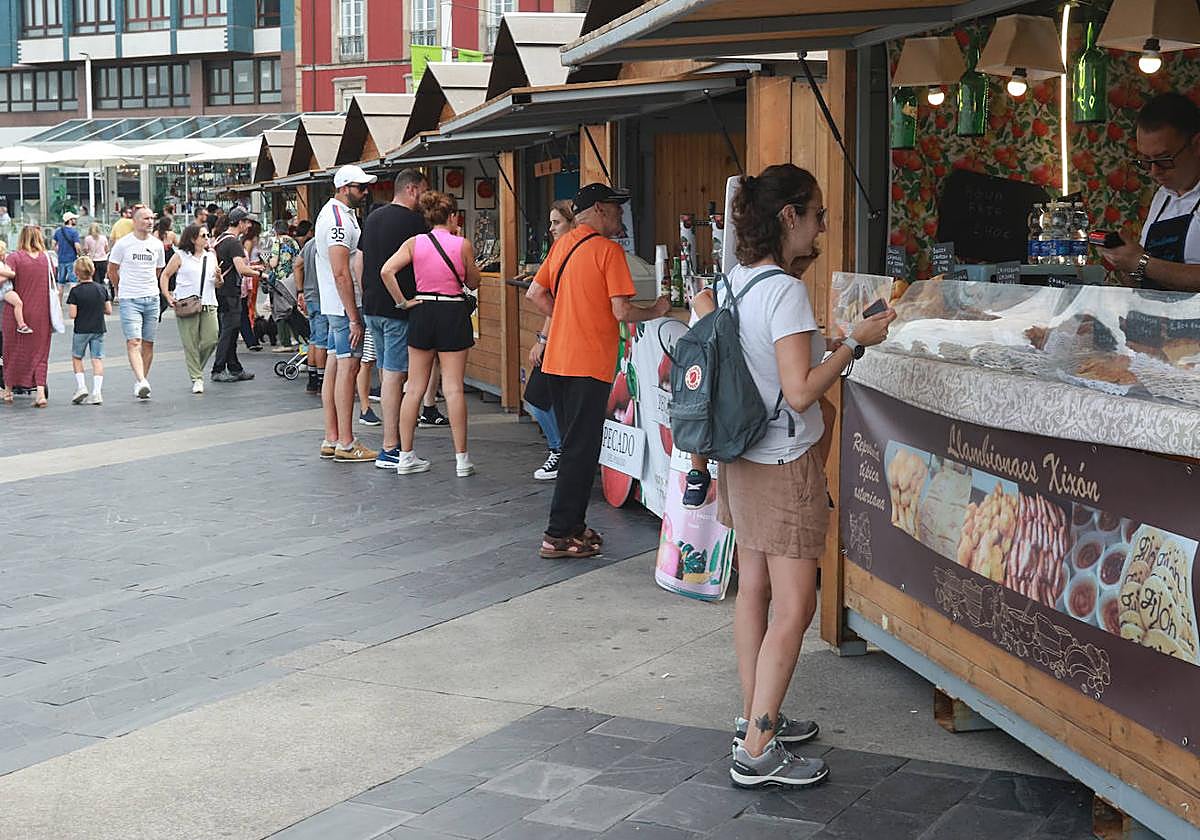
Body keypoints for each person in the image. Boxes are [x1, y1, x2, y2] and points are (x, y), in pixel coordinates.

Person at [710, 164, 894, 789]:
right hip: (784, 463)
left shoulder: (738, 279)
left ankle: (754, 717)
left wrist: (833, 340)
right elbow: (799, 392)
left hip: (741, 458)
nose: (821, 227)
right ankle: (759, 748)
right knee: (797, 604)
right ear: (789, 216)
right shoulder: (784, 293)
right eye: (816, 215)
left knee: (755, 591)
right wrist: (856, 343)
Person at [525, 184, 669, 556]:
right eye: (617, 210)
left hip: (558, 362)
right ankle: (557, 534)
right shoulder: (608, 252)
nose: (621, 216)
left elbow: (535, 294)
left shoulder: (563, 245)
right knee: (580, 450)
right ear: (601, 210)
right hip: (588, 365)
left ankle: (572, 526)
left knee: (577, 447)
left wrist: (570, 318)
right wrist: (655, 311)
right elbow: (622, 312)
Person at [383, 190, 480, 476]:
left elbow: (387, 271)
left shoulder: (414, 243)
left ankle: (405, 456)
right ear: (452, 217)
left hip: (423, 309)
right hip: (452, 311)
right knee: (453, 388)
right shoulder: (462, 243)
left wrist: (403, 302)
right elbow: (473, 281)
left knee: (414, 387)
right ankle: (462, 459)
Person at [359, 168, 429, 466]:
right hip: (397, 310)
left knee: (387, 372)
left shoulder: (372, 218)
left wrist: (366, 291)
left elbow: (358, 261)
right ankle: (391, 447)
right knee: (394, 374)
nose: (425, 197)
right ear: (412, 190)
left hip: (372, 306)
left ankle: (393, 444)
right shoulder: (415, 222)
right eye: (424, 191)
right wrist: (405, 299)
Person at [1101, 93, 1200, 291]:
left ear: (1197, 145)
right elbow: (1143, 281)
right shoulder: (1162, 197)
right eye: (1146, 161)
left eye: (1164, 159)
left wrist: (1141, 262)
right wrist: (1124, 262)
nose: (1155, 171)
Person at [315, 164, 377, 463]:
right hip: (343, 307)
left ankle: (332, 437)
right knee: (347, 369)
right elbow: (342, 272)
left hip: (334, 306)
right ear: (343, 187)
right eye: (360, 187)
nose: (365, 192)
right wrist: (354, 316)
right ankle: (346, 441)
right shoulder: (339, 219)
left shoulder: (336, 214)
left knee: (335, 368)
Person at [527, 200, 576, 480]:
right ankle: (561, 450)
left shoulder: (564, 251)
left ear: (572, 221)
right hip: (561, 334)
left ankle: (560, 451)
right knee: (543, 395)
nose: (551, 228)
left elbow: (539, 294)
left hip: (563, 336)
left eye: (557, 222)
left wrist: (544, 338)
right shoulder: (561, 250)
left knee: (539, 396)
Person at [107, 206, 166, 400]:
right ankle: (141, 380)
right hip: (129, 298)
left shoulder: (157, 245)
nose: (149, 222)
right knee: (134, 341)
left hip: (152, 297)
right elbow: (112, 269)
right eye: (145, 218)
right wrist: (119, 288)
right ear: (135, 221)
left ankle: (141, 381)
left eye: (152, 218)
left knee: (148, 343)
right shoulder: (123, 244)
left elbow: (158, 271)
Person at [160, 223, 219, 393]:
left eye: (207, 235)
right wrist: (168, 295)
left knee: (211, 339)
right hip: (186, 303)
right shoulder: (180, 256)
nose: (207, 238)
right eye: (203, 235)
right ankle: (197, 378)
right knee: (190, 343)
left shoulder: (211, 256)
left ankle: (196, 370)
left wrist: (219, 279)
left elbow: (217, 283)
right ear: (193, 238)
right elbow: (165, 274)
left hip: (209, 302)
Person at [1, 224, 55, 406]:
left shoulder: (14, 258)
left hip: (16, 313)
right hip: (41, 312)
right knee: (40, 353)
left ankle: (8, 391)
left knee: (12, 351)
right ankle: (40, 393)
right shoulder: (46, 259)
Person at [211, 208, 261, 382]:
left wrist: (253, 269)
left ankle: (234, 367)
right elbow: (241, 269)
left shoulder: (220, 239)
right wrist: (260, 274)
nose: (249, 226)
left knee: (231, 330)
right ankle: (218, 369)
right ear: (240, 222)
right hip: (230, 292)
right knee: (228, 331)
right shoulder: (234, 243)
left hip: (221, 291)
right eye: (247, 222)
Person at [66, 256, 110, 405]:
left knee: (77, 357)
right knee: (97, 359)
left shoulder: (75, 291)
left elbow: (73, 314)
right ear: (93, 271)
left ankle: (81, 387)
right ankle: (97, 392)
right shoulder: (101, 289)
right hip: (98, 328)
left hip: (81, 329)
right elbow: (108, 310)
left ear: (76, 273)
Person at [294, 219, 327, 394]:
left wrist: (300, 291)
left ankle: (313, 380)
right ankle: (322, 382)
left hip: (309, 295)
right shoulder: (324, 245)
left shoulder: (309, 245)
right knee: (322, 340)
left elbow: (297, 266)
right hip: (323, 297)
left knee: (314, 338)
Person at [266, 220, 301, 352]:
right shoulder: (293, 242)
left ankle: (285, 343)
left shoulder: (277, 242)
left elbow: (274, 263)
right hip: (293, 279)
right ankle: (300, 339)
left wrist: (268, 261)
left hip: (280, 282)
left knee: (280, 312)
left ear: (275, 230)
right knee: (292, 310)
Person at [239, 221, 264, 351]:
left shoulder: (253, 240)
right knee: (249, 302)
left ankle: (250, 334)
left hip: (253, 270)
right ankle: (250, 332)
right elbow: (245, 261)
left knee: (249, 303)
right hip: (250, 273)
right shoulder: (248, 242)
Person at [0, 241, 30, 335]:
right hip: (5, 290)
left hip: (6, 289)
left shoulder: (3, 262)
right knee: (18, 303)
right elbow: (6, 274)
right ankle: (21, 324)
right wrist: (12, 274)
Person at [52, 211, 82, 304]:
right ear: (69, 220)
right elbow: (77, 245)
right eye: (74, 219)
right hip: (71, 259)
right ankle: (73, 303)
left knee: (60, 283)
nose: (75, 220)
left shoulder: (58, 231)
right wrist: (79, 254)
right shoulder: (74, 232)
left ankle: (59, 303)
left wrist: (59, 252)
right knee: (73, 281)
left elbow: (53, 244)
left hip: (61, 260)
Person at [83, 222, 110, 296]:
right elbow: (107, 249)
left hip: (93, 261)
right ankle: (102, 294)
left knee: (95, 279)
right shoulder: (103, 238)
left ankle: (96, 294)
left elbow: (85, 249)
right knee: (101, 279)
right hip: (103, 260)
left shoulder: (87, 238)